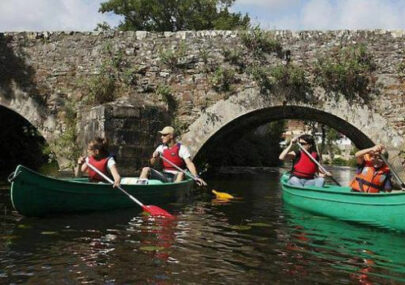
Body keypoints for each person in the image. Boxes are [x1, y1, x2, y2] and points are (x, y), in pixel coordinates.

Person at [139, 126, 207, 186]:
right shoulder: (160, 148)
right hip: (164, 175)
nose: (161, 137)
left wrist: (196, 176)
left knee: (181, 174)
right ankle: (140, 187)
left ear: (171, 136)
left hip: (177, 175)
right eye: (162, 135)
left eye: (164, 135)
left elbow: (189, 163)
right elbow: (151, 164)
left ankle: (174, 190)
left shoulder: (181, 148)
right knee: (145, 169)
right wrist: (154, 157)